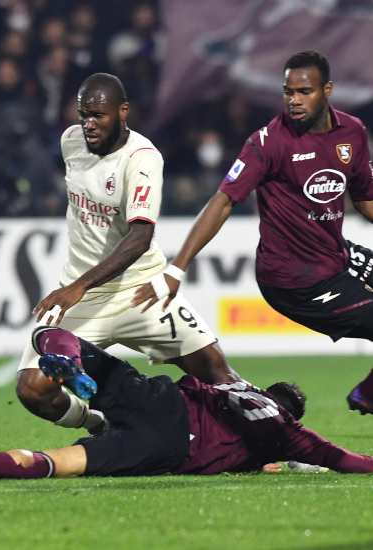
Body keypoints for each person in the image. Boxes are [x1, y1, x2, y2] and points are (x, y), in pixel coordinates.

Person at [132, 51, 373, 414]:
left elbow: (365, 199)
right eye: (287, 92)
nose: (293, 100)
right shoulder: (267, 142)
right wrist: (176, 268)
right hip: (293, 280)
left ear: (327, 90)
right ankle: (369, 394)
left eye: (303, 92)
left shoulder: (352, 132)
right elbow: (223, 201)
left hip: (336, 257)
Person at [16, 72, 236, 436]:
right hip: (84, 300)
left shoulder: (142, 159)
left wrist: (77, 286)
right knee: (32, 390)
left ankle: (274, 442)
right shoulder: (70, 142)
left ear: (123, 112)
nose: (88, 124)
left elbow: (139, 236)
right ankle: (101, 426)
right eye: (83, 114)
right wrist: (79, 289)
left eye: (98, 115)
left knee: (217, 372)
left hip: (141, 292)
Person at [0, 326, 373, 478]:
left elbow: (191, 365)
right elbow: (340, 459)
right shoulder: (285, 439)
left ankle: (71, 361)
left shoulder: (232, 385)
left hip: (162, 401)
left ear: (265, 391)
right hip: (167, 447)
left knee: (52, 336)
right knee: (56, 464)